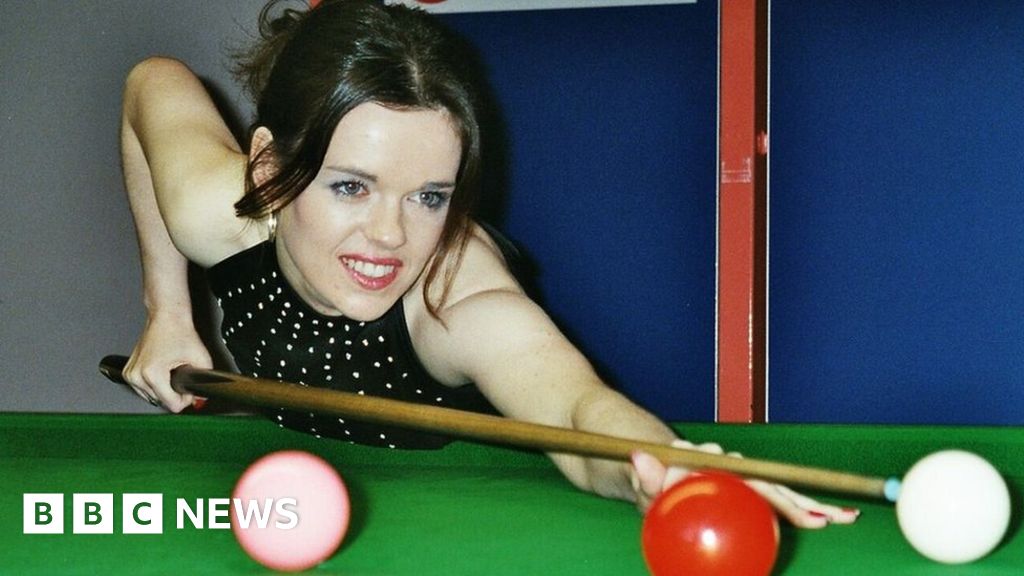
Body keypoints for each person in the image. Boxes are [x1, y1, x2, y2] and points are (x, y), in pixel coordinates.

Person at [119, 0, 857, 527]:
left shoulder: (458, 303)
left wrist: (659, 464)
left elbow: (575, 409)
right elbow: (150, 81)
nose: (389, 236)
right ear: (269, 168)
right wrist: (169, 312)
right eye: (351, 186)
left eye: (430, 196)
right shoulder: (213, 212)